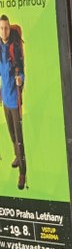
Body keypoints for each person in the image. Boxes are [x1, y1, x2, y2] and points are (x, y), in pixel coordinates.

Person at [0, 15, 25, 190]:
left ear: (10, 28)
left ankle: (23, 172)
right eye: (1, 28)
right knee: (12, 135)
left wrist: (20, 80)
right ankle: (17, 155)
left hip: (14, 101)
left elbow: (22, 71)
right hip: (5, 100)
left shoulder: (14, 47)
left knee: (20, 139)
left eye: (6, 28)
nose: (3, 31)